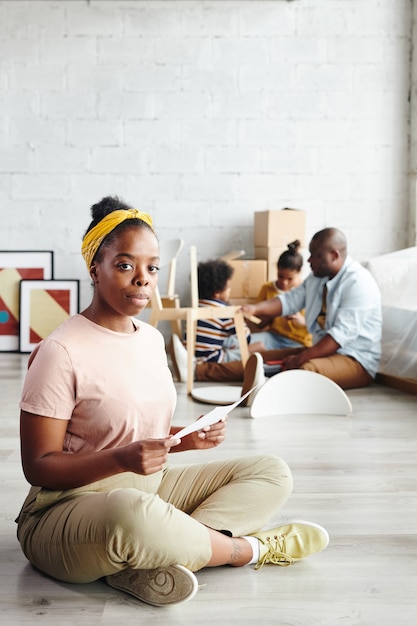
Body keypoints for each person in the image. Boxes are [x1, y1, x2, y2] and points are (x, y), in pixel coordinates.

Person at [16, 196, 329, 609]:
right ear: (96, 268)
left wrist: (185, 438)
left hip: (148, 489)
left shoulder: (149, 339)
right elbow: (37, 465)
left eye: (152, 267)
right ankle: (246, 550)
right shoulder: (60, 350)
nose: (143, 279)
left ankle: (156, 553)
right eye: (125, 265)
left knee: (270, 472)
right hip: (66, 509)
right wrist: (121, 460)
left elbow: (138, 436)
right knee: (131, 515)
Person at [242, 227, 382, 393]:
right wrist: (254, 308)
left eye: (315, 255)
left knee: (305, 370)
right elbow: (289, 300)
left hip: (355, 360)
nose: (309, 260)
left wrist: (299, 358)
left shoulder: (359, 283)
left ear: (334, 255)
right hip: (322, 352)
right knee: (255, 361)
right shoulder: (317, 277)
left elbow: (339, 336)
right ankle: (205, 371)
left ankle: (261, 393)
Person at [251, 240, 312, 351]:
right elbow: (258, 324)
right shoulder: (268, 289)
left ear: (299, 273)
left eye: (290, 279)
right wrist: (272, 311)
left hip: (300, 342)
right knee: (236, 341)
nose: (284, 282)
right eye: (280, 276)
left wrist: (303, 322)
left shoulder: (308, 291)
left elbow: (323, 327)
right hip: (274, 337)